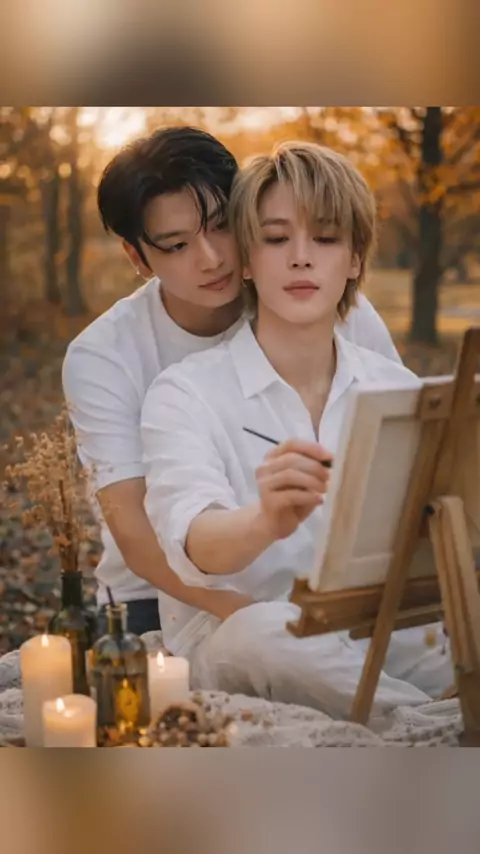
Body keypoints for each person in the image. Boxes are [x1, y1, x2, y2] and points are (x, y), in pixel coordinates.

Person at [141, 140, 453, 720]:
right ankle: (430, 725)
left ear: (355, 259)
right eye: (277, 238)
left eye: (326, 238)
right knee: (261, 630)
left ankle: (425, 710)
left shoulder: (399, 389)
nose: (301, 258)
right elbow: (194, 537)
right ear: (247, 260)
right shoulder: (184, 393)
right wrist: (265, 520)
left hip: (383, 637)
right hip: (250, 641)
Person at [63, 126, 402, 637]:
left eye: (221, 226)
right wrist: (267, 624)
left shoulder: (326, 305)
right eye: (177, 245)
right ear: (137, 258)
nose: (212, 258)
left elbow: (402, 440)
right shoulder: (105, 356)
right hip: (160, 593)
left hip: (318, 584)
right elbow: (136, 536)